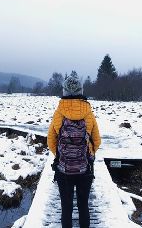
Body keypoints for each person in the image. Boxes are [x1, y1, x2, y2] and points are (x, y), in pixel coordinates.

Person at [47, 74, 101, 228]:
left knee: (66, 208)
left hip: (64, 170)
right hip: (85, 169)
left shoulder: (59, 113)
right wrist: (87, 154)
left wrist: (63, 155)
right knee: (83, 206)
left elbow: (50, 140)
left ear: (64, 91)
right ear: (81, 90)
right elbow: (97, 140)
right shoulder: (88, 112)